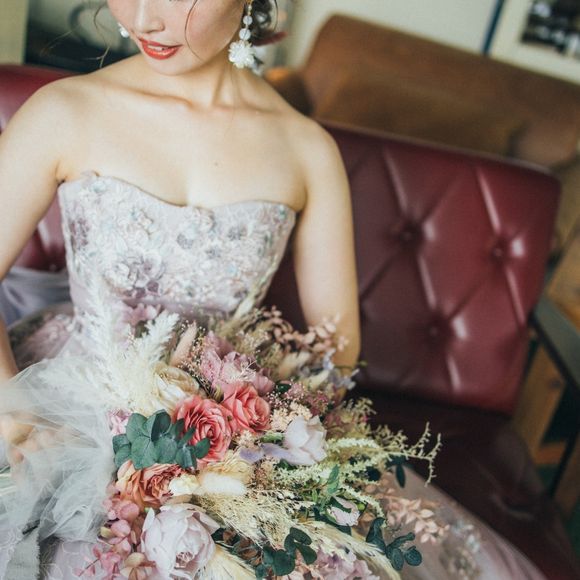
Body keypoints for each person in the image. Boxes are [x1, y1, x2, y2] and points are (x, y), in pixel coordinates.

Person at [0, 1, 547, 578]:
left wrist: (251, 448)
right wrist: (17, 418)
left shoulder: (306, 150)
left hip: (230, 437)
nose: (143, 19)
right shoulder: (64, 112)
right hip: (68, 404)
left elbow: (336, 353)